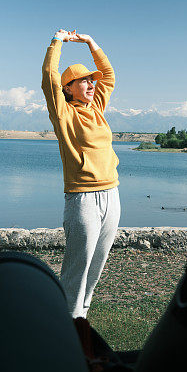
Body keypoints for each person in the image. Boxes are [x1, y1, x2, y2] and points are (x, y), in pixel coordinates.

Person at [41, 28, 121, 319]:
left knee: (97, 264)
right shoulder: (64, 114)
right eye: (83, 80)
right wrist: (58, 41)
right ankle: (65, 324)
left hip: (112, 194)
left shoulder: (97, 107)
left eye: (90, 79)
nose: (90, 83)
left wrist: (89, 42)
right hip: (82, 199)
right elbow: (49, 76)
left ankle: (80, 321)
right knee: (78, 267)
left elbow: (108, 74)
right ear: (69, 87)